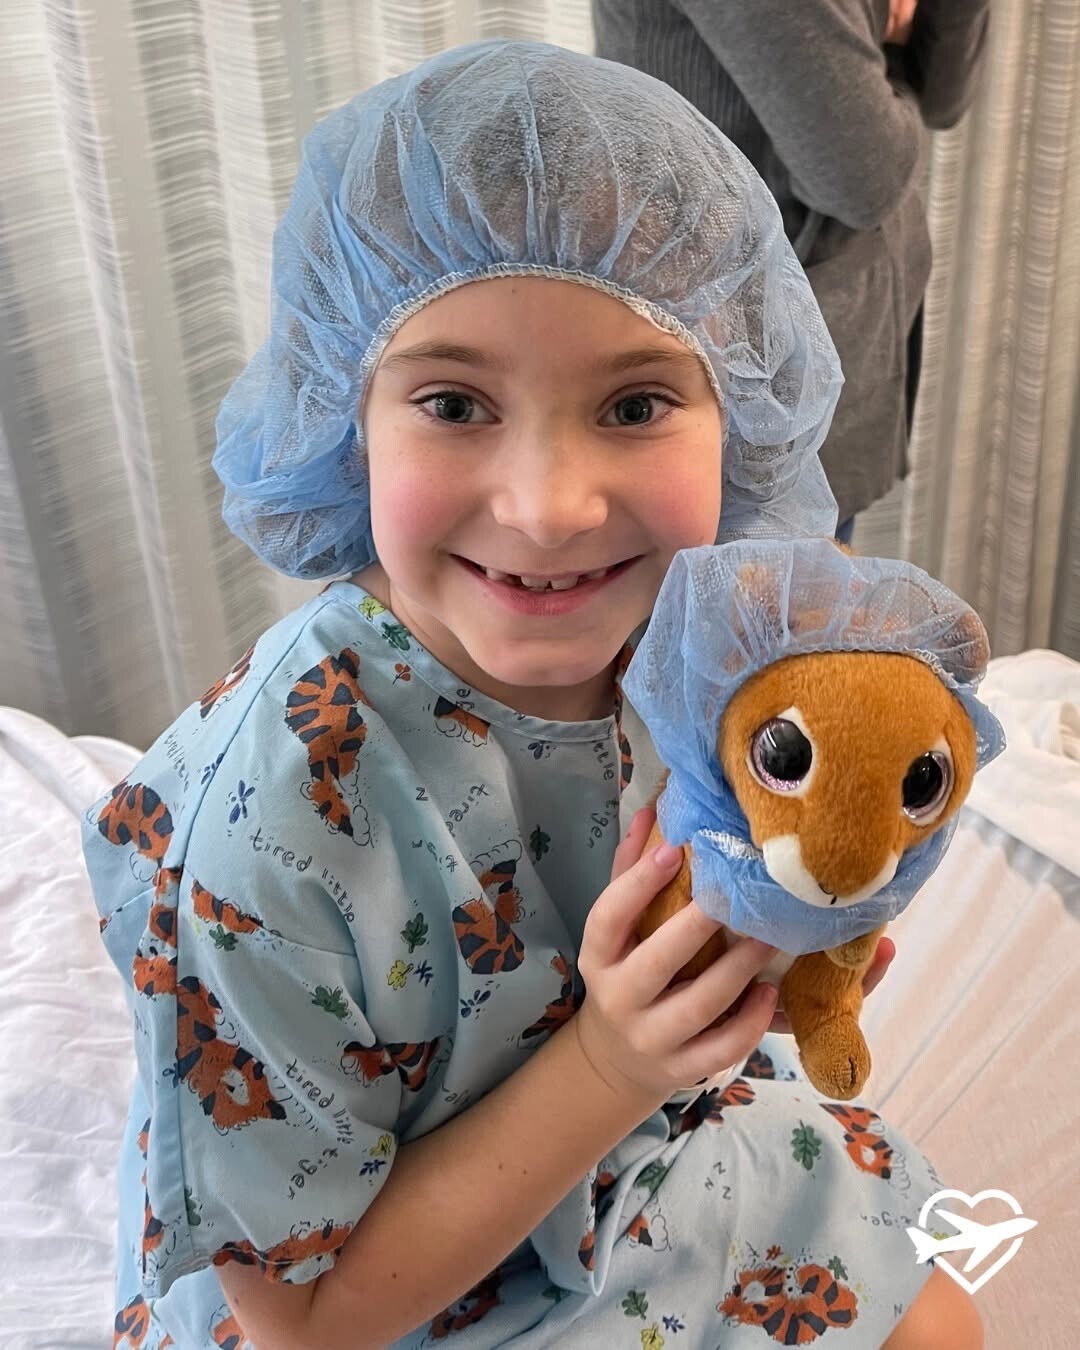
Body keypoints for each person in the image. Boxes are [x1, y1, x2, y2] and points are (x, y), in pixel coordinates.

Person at [85, 40, 983, 1349]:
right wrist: (615, 1058)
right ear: (345, 417)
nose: (551, 509)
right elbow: (300, 1323)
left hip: (626, 1144)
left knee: (946, 1321)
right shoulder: (265, 837)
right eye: (455, 402)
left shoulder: (688, 648)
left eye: (636, 403)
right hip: (393, 1282)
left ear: (740, 411)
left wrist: (767, 946)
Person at [592, 0, 991, 543]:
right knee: (742, 585)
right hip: (750, 370)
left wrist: (887, 90)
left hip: (821, 349)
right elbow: (864, 178)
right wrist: (887, 84)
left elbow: (944, 96)